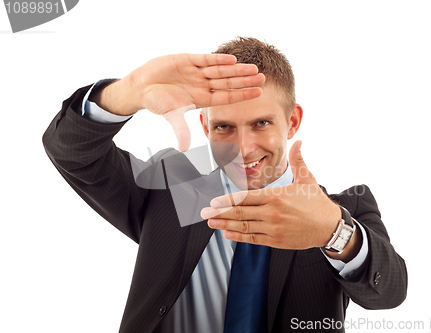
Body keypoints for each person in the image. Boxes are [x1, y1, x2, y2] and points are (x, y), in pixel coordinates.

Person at [43, 37, 407, 333]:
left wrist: (333, 232)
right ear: (205, 127)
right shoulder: (168, 193)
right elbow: (73, 153)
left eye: (261, 123)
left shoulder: (343, 211)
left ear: (292, 121)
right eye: (224, 127)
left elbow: (388, 292)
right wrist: (129, 91)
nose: (243, 148)